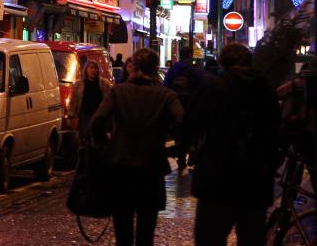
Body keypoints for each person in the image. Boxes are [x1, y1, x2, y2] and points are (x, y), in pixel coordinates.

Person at [182, 43, 280, 246]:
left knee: (210, 238)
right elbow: (276, 130)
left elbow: (190, 122)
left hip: (217, 177)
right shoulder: (265, 89)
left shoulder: (215, 86)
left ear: (222, 62)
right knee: (251, 238)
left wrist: (183, 150)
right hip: (255, 179)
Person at [89, 48, 185, 246]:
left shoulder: (118, 91)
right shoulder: (166, 95)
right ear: (155, 69)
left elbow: (97, 121)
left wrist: (105, 145)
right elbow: (183, 122)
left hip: (120, 165)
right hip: (151, 166)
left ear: (135, 68)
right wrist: (176, 149)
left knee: (122, 228)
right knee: (146, 230)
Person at [162, 46, 205, 171]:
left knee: (179, 132)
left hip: (177, 104)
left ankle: (181, 158)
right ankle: (192, 149)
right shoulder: (195, 68)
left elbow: (166, 85)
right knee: (193, 130)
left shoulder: (174, 68)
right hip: (193, 104)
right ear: (190, 54)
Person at [69, 60, 112, 141]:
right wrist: (72, 116)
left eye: (95, 68)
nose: (93, 70)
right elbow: (74, 102)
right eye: (91, 68)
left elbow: (109, 99)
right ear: (86, 69)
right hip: (85, 116)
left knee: (97, 139)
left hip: (98, 116)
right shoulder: (79, 85)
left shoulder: (104, 84)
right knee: (85, 138)